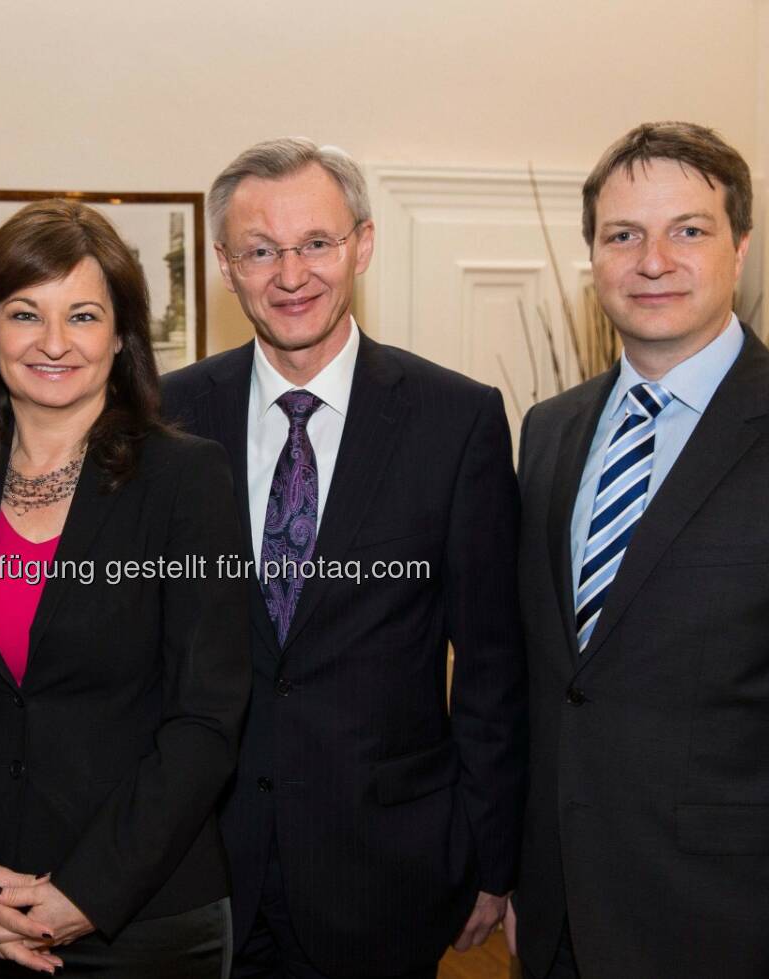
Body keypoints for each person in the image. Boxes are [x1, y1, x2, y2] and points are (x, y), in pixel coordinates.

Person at [508, 121, 769, 979]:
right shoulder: (550, 431)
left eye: (689, 229)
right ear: (594, 256)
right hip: (561, 922)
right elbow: (558, 685)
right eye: (624, 235)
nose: (654, 260)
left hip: (734, 932)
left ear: (741, 247)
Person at [162, 138, 526, 979]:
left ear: (361, 244)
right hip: (203, 870)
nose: (291, 275)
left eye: (317, 244)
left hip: (387, 873)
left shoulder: (454, 420)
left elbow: (492, 663)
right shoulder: (170, 416)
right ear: (226, 264)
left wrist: (492, 855)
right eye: (261, 250)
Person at [0, 199, 250, 977]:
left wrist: (88, 891)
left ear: (119, 337)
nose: (54, 342)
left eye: (83, 315)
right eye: (26, 313)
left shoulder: (186, 480)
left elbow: (205, 718)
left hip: (141, 921)